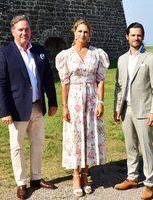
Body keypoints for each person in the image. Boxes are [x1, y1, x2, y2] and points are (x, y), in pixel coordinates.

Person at [0, 15, 58, 200]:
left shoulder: (39, 50)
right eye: (20, 29)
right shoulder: (5, 53)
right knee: (17, 147)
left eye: (27, 29)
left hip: (37, 107)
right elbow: (0, 84)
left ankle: (36, 178)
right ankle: (21, 183)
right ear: (13, 31)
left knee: (38, 143)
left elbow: (47, 78)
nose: (24, 32)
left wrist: (52, 101)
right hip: (16, 110)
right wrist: (4, 111)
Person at [55, 19, 109, 197]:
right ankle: (76, 174)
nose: (83, 35)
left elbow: (101, 80)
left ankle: (86, 173)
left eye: (86, 32)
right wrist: (64, 107)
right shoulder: (66, 55)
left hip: (92, 99)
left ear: (89, 34)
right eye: (80, 31)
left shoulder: (97, 54)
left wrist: (100, 102)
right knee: (76, 136)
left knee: (89, 135)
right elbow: (64, 83)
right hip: (74, 100)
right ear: (74, 32)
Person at [113, 22, 153, 200]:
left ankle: (150, 184)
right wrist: (117, 108)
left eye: (139, 35)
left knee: (146, 148)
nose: (136, 38)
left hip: (144, 110)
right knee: (130, 146)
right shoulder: (122, 59)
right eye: (133, 35)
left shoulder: (151, 58)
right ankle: (132, 177)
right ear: (127, 36)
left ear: (142, 37)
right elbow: (118, 86)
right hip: (126, 109)